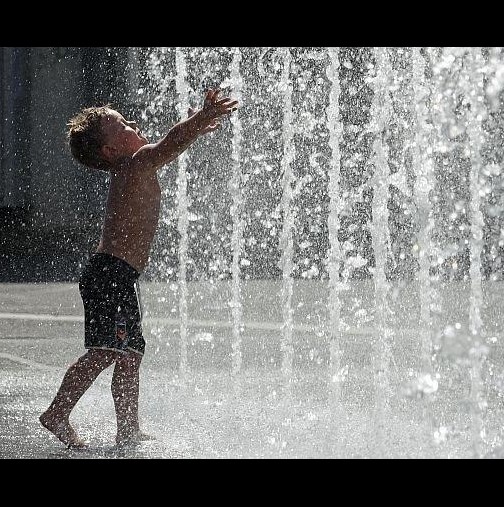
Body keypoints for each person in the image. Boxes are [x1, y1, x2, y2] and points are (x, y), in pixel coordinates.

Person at [39, 88, 239, 449]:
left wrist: (196, 126)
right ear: (110, 150)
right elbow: (169, 143)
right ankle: (57, 413)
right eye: (123, 125)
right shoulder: (136, 163)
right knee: (106, 351)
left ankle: (128, 429)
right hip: (110, 275)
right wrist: (199, 119)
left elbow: (171, 144)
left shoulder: (129, 166)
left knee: (129, 354)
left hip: (117, 276)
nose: (133, 124)